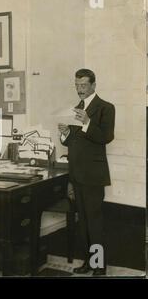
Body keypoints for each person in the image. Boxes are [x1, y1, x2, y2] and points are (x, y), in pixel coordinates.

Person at [58, 69, 115, 276]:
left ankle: (99, 265)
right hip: (76, 174)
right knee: (82, 221)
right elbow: (73, 142)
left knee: (95, 222)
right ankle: (88, 262)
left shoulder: (106, 108)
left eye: (83, 85)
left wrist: (87, 123)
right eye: (77, 85)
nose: (79, 89)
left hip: (93, 175)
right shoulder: (75, 109)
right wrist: (64, 134)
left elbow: (106, 137)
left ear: (93, 85)